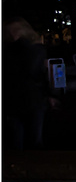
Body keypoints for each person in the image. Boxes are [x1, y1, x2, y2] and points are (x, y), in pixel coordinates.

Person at [3, 20, 53, 150]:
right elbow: (37, 74)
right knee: (32, 139)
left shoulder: (9, 51)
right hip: (30, 98)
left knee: (19, 139)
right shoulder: (34, 50)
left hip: (18, 98)